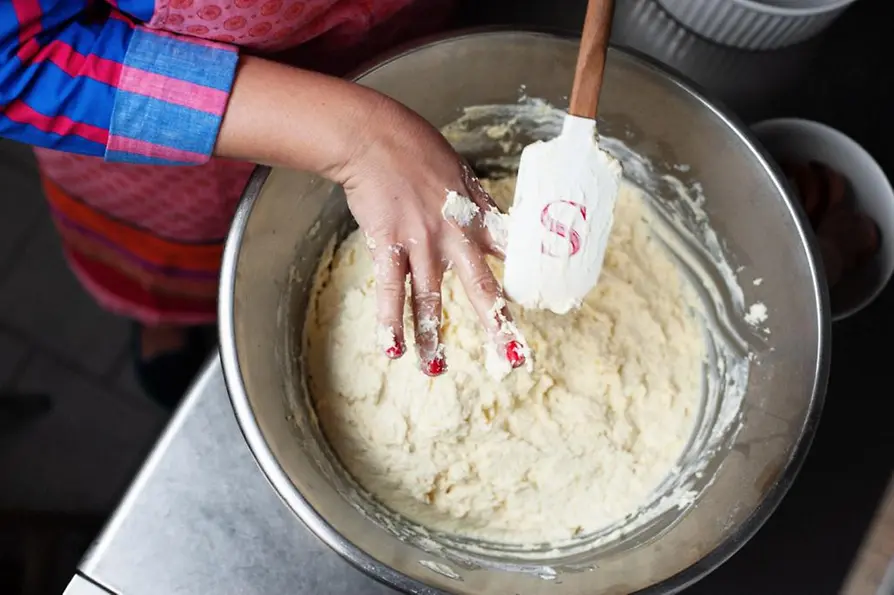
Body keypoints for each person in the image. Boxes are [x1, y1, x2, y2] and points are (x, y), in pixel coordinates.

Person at [0, 0, 525, 409]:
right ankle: (163, 316)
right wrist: (359, 136)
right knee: (172, 267)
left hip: (395, 35)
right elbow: (14, 58)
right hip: (175, 131)